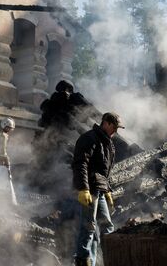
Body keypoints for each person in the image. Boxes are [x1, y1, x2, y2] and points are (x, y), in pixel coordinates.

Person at [72, 112, 124, 266]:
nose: (116, 131)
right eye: (114, 127)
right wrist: (83, 189)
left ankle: (111, 259)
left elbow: (104, 172)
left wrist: (107, 191)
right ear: (106, 123)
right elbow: (80, 163)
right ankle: (83, 261)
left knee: (107, 226)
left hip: (99, 190)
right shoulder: (89, 138)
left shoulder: (107, 143)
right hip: (90, 189)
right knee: (89, 226)